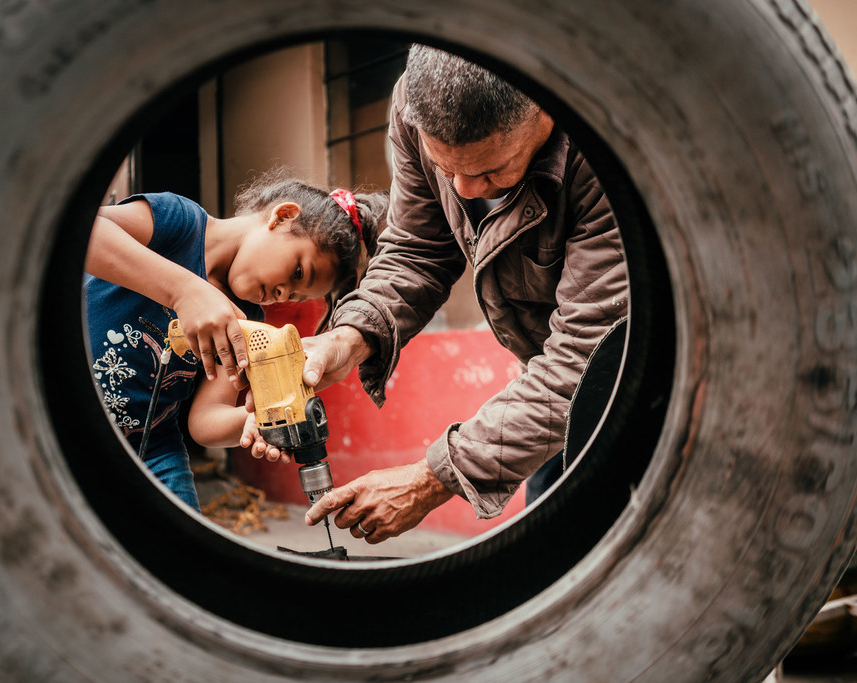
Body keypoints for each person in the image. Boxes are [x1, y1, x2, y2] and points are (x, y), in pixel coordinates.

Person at [300, 45, 628, 543]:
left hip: (642, 376)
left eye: (490, 172)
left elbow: (588, 359)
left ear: (545, 108)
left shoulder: (608, 148)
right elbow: (417, 246)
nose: (465, 191)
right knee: (554, 556)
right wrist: (347, 337)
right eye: (445, 169)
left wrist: (430, 479)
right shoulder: (412, 107)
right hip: (549, 389)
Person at [83, 171, 387, 509]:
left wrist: (251, 422)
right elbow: (85, 232)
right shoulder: (180, 222)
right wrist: (184, 290)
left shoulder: (248, 320)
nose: (283, 293)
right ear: (282, 216)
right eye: (297, 272)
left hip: (151, 449)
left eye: (297, 296)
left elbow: (203, 419)